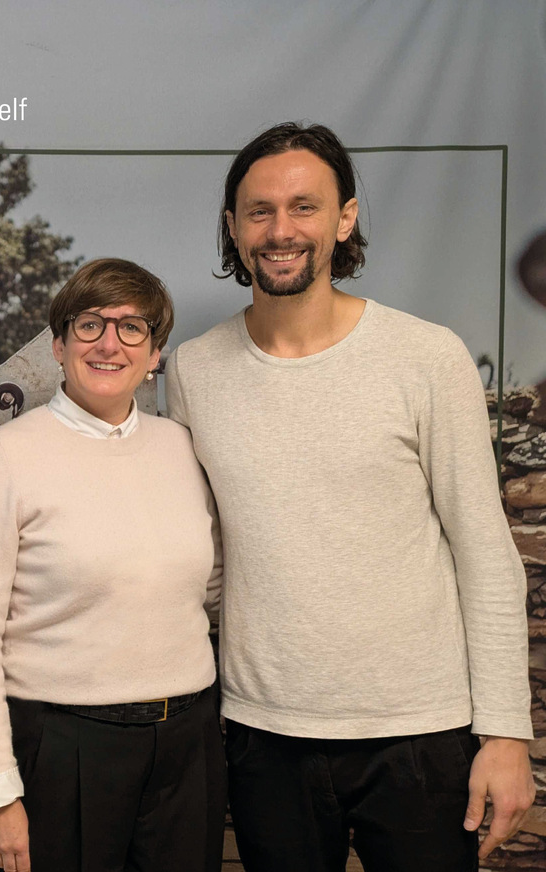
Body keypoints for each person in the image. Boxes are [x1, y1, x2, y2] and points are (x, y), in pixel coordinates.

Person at [165, 122, 535, 872]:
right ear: (233, 228)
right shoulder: (194, 370)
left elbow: (485, 553)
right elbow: (202, 552)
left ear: (345, 218)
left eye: (304, 207)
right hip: (264, 734)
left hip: (421, 734)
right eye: (259, 210)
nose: (280, 230)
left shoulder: (426, 356)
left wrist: (505, 733)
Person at [0, 258, 225, 872]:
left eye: (132, 329)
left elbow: (209, 589)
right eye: (90, 324)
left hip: (187, 749)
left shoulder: (183, 448)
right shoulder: (5, 457)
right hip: (60, 751)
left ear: (155, 355)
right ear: (58, 345)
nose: (109, 343)